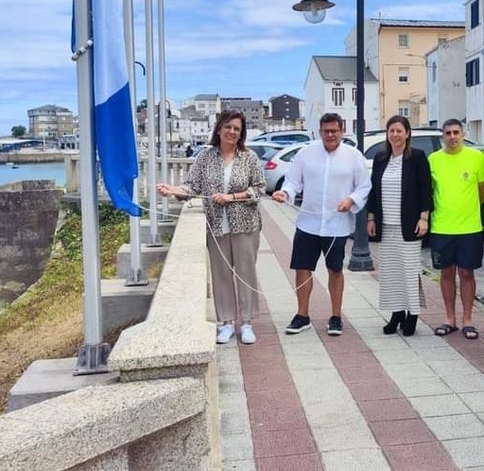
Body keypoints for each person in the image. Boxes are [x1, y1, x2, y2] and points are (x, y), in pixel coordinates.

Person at [157, 110, 265, 345]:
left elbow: (259, 189)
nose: (232, 132)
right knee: (221, 274)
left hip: (245, 225)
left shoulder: (249, 157)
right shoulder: (205, 158)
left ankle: (246, 323)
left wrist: (232, 197)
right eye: (228, 127)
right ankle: (226, 322)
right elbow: (192, 187)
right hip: (216, 226)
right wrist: (173, 191)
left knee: (246, 273)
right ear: (218, 129)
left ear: (241, 133)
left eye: (237, 128)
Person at [271, 113, 371, 337]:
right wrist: (284, 193)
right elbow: (293, 181)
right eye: (326, 131)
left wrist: (351, 200)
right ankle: (302, 315)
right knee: (302, 268)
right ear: (319, 131)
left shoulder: (354, 156)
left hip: (337, 224)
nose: (330, 135)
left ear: (342, 131)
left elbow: (364, 186)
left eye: (334, 130)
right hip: (308, 223)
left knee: (335, 270)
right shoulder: (306, 154)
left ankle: (335, 316)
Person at [366, 116, 433, 336]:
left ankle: (412, 315)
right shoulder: (381, 158)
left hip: (409, 226)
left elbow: (425, 190)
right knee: (390, 272)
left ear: (407, 133)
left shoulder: (417, 158)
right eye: (391, 131)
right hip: (386, 226)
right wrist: (371, 219)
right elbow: (374, 191)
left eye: (399, 131)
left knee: (409, 270)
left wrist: (424, 218)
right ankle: (396, 313)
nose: (395, 135)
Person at [427, 119, 484, 340]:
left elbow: (483, 190)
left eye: (456, 132)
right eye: (448, 133)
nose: (452, 136)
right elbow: (429, 192)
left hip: (469, 228)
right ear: (443, 135)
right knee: (446, 273)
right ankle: (449, 318)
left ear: (463, 134)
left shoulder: (476, 158)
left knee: (467, 273)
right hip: (442, 227)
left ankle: (468, 320)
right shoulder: (434, 160)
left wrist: (468, 209)